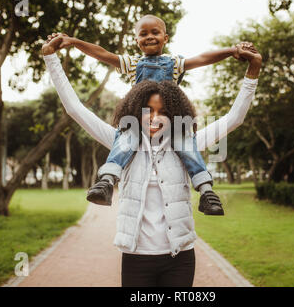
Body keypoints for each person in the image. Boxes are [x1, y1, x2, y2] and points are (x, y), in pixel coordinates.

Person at [42, 35, 262, 287]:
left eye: (164, 112)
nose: (155, 118)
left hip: (180, 258)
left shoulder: (187, 144)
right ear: (135, 112)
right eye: (148, 110)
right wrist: (51, 58)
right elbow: (74, 108)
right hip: (136, 258)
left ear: (176, 115)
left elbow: (234, 118)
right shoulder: (120, 143)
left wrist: (253, 70)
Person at [46, 14, 250, 216]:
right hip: (137, 120)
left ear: (165, 38)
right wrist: (73, 42)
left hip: (173, 121)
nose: (149, 36)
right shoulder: (132, 63)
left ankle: (206, 191)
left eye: (155, 32)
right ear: (136, 40)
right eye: (143, 34)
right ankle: (107, 181)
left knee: (188, 146)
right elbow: (102, 54)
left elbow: (203, 58)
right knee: (125, 140)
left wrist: (232, 51)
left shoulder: (175, 63)